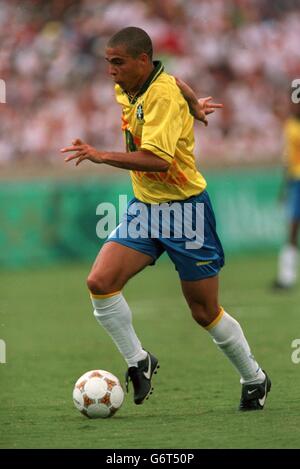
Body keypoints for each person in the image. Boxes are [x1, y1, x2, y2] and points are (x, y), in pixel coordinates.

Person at [61, 26, 271, 411]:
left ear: (143, 60)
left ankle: (254, 377)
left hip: (185, 210)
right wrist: (194, 102)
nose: (110, 70)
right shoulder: (131, 85)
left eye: (118, 62)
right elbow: (175, 79)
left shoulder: (161, 97)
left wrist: (101, 154)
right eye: (108, 62)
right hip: (145, 208)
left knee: (204, 311)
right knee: (100, 282)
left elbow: (159, 160)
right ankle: (139, 361)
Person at [273, 103, 300, 290]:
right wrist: (284, 187)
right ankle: (286, 276)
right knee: (292, 228)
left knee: (292, 228)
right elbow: (288, 158)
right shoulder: (289, 124)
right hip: (295, 180)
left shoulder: (290, 124)